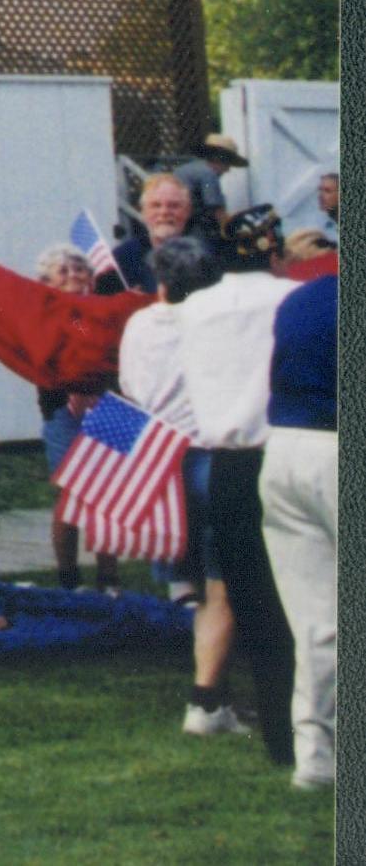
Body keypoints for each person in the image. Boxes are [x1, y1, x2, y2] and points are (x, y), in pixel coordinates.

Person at [126, 230, 296, 767]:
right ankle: (238, 705)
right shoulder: (281, 297)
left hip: (196, 457)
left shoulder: (164, 319)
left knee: (222, 589)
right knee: (253, 592)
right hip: (242, 452)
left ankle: (226, 703)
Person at [257, 266, 334, 789]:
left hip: (284, 449)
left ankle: (316, 758)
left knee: (316, 624)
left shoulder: (304, 299)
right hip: (336, 442)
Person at [25, 242, 107, 590]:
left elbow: (105, 353)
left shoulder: (99, 314)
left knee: (109, 494)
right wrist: (73, 386)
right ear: (47, 281)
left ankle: (109, 577)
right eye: (64, 271)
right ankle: (69, 578)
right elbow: (40, 362)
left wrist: (93, 385)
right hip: (63, 411)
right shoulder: (41, 317)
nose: (74, 276)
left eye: (79, 270)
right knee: (70, 493)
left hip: (105, 407)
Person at [113, 169, 205, 290]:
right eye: (156, 205)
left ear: (187, 211)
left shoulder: (204, 256)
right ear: (143, 212)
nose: (164, 212)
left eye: (174, 206)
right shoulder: (122, 257)